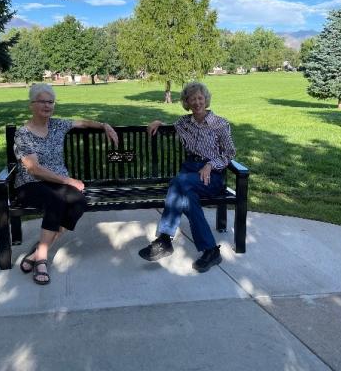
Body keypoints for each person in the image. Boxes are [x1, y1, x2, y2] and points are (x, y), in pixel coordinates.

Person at [14, 83, 118, 285]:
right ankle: (42, 258)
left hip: (56, 183)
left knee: (79, 201)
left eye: (51, 102)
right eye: (42, 101)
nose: (47, 106)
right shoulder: (23, 134)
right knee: (56, 201)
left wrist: (104, 125)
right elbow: (34, 169)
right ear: (32, 105)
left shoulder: (57, 125)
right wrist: (68, 180)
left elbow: (83, 123)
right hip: (30, 184)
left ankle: (38, 251)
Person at [138, 82, 236, 273]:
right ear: (187, 102)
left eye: (200, 98)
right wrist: (158, 122)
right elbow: (169, 127)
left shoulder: (220, 124)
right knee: (187, 199)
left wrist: (211, 164)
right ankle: (210, 251)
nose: (197, 102)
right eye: (192, 99)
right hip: (190, 172)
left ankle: (165, 240)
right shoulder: (184, 123)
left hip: (211, 176)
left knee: (177, 182)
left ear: (206, 99)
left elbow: (230, 153)